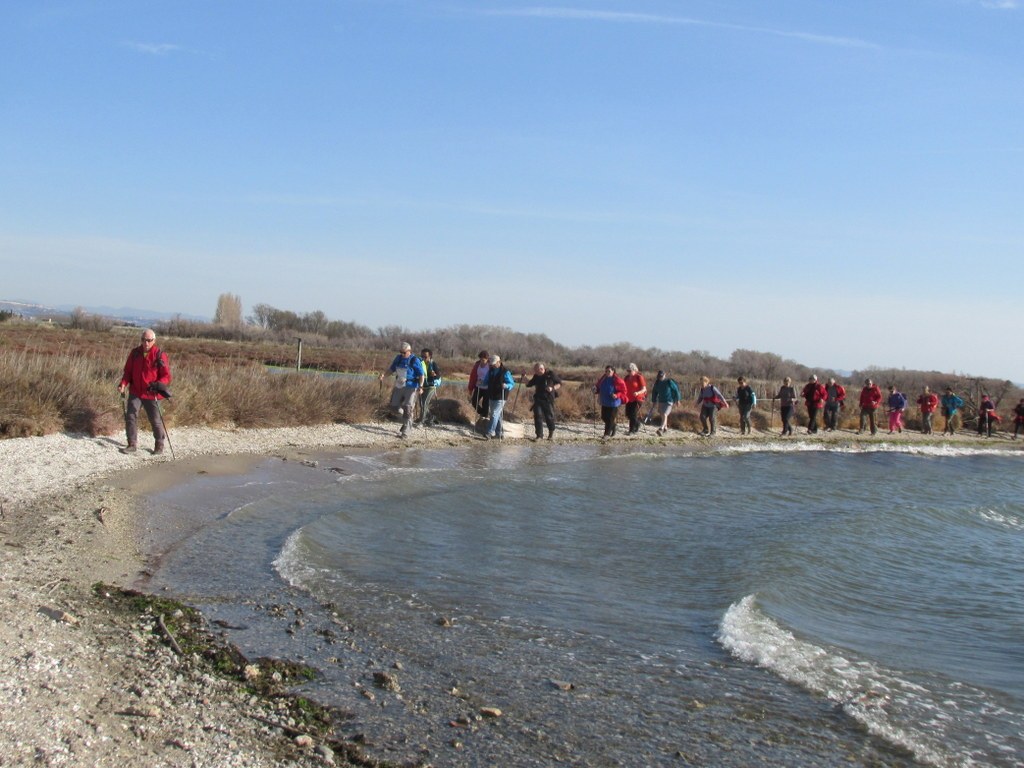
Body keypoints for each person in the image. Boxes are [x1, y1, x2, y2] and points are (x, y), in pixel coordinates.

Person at [118, 328, 171, 454]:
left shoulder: (159, 354)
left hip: (152, 394)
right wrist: (123, 384)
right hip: (136, 391)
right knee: (130, 416)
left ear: (154, 340)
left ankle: (159, 444)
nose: (145, 343)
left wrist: (159, 384)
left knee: (155, 420)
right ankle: (132, 444)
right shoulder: (135, 353)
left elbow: (166, 376)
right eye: (143, 340)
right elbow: (128, 372)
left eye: (149, 340)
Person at [380, 342, 423, 439]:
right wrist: (384, 376)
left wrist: (421, 386)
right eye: (400, 352)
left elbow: (421, 375)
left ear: (409, 351)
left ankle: (406, 433)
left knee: (408, 407)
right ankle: (408, 418)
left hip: (411, 386)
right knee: (394, 407)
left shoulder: (414, 360)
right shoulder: (398, 358)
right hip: (399, 385)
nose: (402, 354)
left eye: (404, 352)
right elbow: (391, 369)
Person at [525, 362, 562, 440]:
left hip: (548, 399)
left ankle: (551, 434)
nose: (535, 372)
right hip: (538, 398)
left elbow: (559, 383)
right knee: (537, 416)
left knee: (549, 417)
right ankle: (539, 436)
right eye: (535, 371)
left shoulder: (550, 374)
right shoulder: (536, 376)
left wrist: (552, 388)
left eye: (536, 371)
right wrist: (524, 376)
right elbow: (529, 384)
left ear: (541, 369)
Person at [482, 354, 515, 440]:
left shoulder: (505, 372)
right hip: (492, 395)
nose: (492, 365)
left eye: (493, 363)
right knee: (498, 415)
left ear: (499, 362)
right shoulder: (491, 370)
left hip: (501, 396)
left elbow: (512, 383)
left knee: (494, 414)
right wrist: (481, 382)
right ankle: (500, 433)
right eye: (491, 364)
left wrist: (507, 385)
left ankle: (489, 432)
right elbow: (486, 381)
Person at [594, 366, 627, 438]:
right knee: (603, 417)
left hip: (613, 403)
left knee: (609, 419)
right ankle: (613, 426)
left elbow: (623, 391)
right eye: (606, 371)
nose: (607, 373)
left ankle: (606, 434)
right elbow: (598, 387)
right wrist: (595, 389)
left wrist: (617, 395)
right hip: (605, 402)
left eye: (609, 371)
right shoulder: (603, 379)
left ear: (613, 371)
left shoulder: (618, 380)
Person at [649, 370, 681, 436]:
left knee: (664, 414)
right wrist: (654, 400)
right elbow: (654, 391)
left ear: (664, 375)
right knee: (662, 414)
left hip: (669, 401)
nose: (660, 378)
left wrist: (678, 400)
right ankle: (665, 428)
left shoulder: (669, 382)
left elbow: (676, 390)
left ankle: (661, 428)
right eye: (659, 376)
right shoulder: (657, 382)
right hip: (661, 401)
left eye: (661, 376)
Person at [416, 348, 442, 427]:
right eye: (422, 356)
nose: (423, 358)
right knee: (422, 404)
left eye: (425, 357)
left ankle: (422, 421)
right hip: (422, 386)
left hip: (431, 386)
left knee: (424, 403)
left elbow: (438, 375)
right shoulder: (420, 363)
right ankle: (431, 418)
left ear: (430, 356)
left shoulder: (433, 364)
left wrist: (434, 375)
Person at [623, 363, 648, 435]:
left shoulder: (639, 377)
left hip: (638, 398)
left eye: (630, 370)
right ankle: (637, 424)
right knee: (628, 414)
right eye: (627, 370)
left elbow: (644, 389)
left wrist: (637, 393)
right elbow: (624, 387)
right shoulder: (627, 377)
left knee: (633, 414)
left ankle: (631, 431)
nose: (628, 372)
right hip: (629, 398)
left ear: (634, 370)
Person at [467, 350, 490, 419]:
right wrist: (470, 388)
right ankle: (482, 412)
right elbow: (473, 377)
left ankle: (484, 417)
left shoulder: (490, 366)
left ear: (487, 359)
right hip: (478, 386)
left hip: (487, 388)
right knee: (474, 402)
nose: (482, 361)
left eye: (483, 360)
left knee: (485, 404)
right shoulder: (477, 365)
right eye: (481, 359)